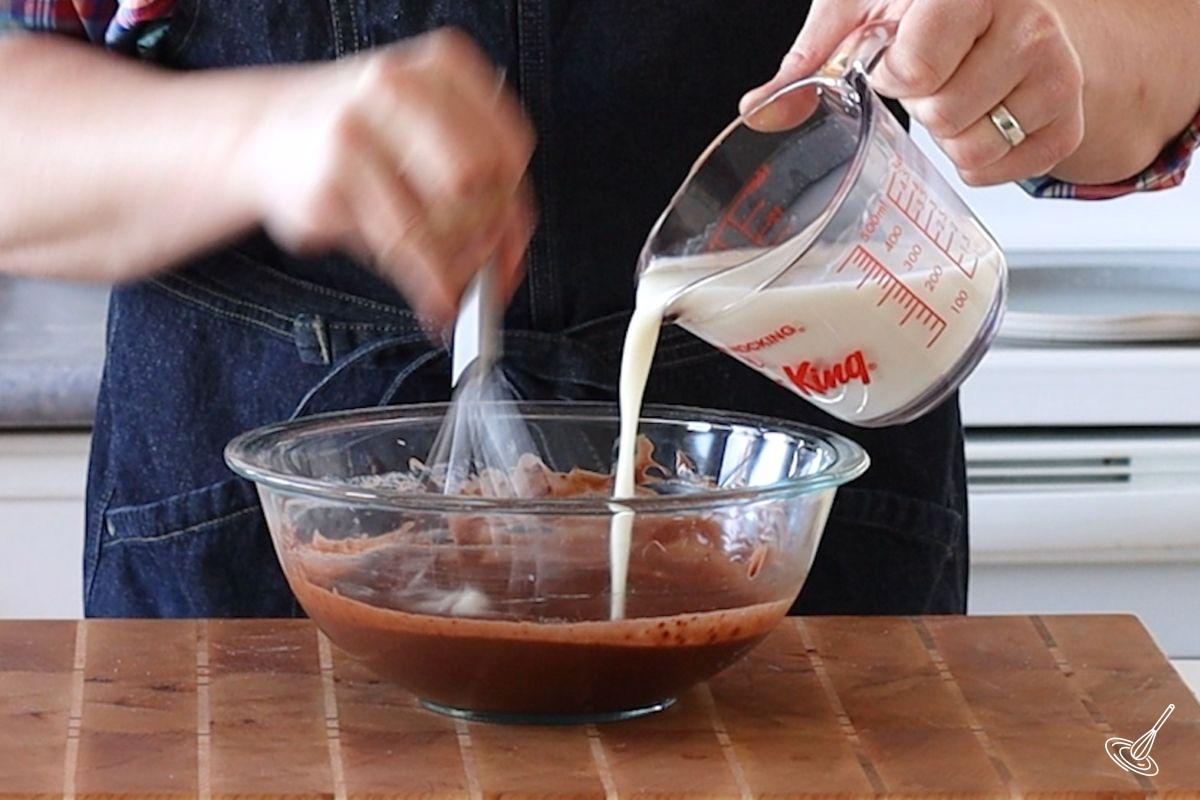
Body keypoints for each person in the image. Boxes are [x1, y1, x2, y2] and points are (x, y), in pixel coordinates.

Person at [1, 0, 1196, 618]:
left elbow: (1160, 44)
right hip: (248, 572)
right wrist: (248, 137)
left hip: (801, 566)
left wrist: (1051, 50)